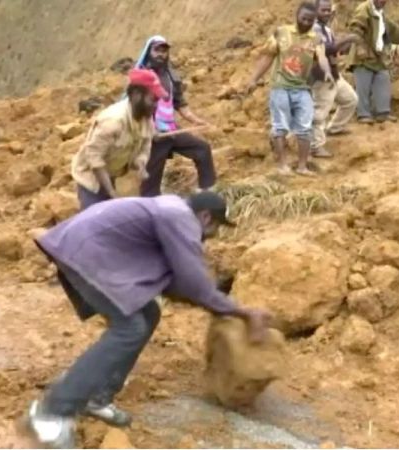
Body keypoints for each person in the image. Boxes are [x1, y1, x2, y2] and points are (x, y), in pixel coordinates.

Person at [25, 192, 271, 448]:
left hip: (88, 249)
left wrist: (220, 308)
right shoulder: (180, 217)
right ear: (205, 216)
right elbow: (193, 282)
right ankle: (51, 413)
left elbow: (176, 285)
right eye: (216, 227)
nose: (214, 235)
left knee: (148, 314)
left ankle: (97, 397)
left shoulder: (170, 212)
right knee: (129, 329)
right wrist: (241, 313)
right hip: (87, 253)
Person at [245, 3, 334, 176]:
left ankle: (302, 166)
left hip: (302, 88)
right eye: (304, 19)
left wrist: (328, 72)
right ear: (297, 16)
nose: (306, 23)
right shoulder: (281, 32)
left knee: (305, 127)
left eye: (310, 20)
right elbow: (268, 57)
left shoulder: (316, 38)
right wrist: (253, 79)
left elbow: (322, 58)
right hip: (280, 87)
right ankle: (282, 165)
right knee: (280, 127)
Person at [135, 35, 217, 195]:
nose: (161, 54)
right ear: (148, 51)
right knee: (151, 181)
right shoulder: (142, 77)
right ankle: (149, 207)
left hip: (170, 130)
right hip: (151, 136)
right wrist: (150, 130)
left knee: (202, 149)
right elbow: (137, 110)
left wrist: (198, 121)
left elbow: (180, 105)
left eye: (164, 50)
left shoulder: (171, 76)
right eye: (157, 50)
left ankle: (206, 193)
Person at [71, 69, 164, 209]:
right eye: (153, 99)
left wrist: (140, 163)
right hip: (92, 180)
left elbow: (145, 143)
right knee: (94, 219)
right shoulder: (112, 121)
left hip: (112, 173)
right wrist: (111, 193)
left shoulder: (146, 118)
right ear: (137, 95)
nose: (156, 105)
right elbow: (94, 158)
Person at [346, 0, 399, 124]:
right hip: (363, 56)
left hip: (376, 56)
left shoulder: (380, 15)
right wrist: (360, 47)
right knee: (363, 86)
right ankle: (363, 114)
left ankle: (383, 113)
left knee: (383, 79)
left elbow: (395, 32)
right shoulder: (365, 8)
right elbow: (355, 27)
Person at [310, 0, 359, 158]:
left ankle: (335, 128)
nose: (327, 13)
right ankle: (315, 146)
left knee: (350, 100)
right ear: (315, 11)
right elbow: (324, 49)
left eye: (328, 10)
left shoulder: (327, 30)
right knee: (319, 113)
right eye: (323, 10)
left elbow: (334, 51)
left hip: (334, 74)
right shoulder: (312, 29)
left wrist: (346, 46)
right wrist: (347, 39)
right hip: (321, 77)